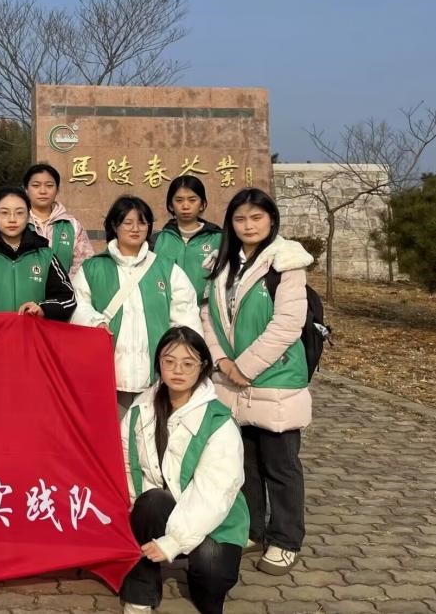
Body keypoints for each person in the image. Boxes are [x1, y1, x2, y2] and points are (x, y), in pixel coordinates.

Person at [201, 187, 313, 575]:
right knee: (243, 460)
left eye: (256, 218)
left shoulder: (286, 263)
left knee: (280, 464)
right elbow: (208, 317)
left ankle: (285, 538)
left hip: (275, 377)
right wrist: (221, 360)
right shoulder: (221, 264)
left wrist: (244, 367)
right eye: (240, 218)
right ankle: (251, 528)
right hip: (232, 380)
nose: (248, 225)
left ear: (271, 220)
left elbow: (287, 325)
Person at [120, 326, 248, 614]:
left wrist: (174, 541)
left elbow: (213, 493)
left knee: (212, 573)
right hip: (164, 505)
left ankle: (199, 575)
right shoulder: (139, 412)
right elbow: (127, 466)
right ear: (158, 365)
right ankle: (140, 594)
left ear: (202, 367)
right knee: (150, 503)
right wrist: (132, 516)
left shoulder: (218, 421)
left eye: (188, 363)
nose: (178, 370)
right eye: (169, 361)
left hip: (215, 517)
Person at [71, 196, 201, 416]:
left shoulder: (167, 269)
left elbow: (186, 319)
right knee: (113, 443)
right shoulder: (92, 268)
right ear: (115, 225)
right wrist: (96, 322)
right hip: (108, 379)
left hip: (157, 380)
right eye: (128, 222)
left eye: (142, 222)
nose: (135, 228)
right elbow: (76, 305)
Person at [0, 186, 76, 320]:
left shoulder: (45, 255)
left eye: (19, 213)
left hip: (33, 338)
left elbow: (67, 299)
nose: (12, 219)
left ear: (28, 216)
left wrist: (43, 309)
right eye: (4, 213)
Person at [151, 175, 223, 305]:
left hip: (207, 316)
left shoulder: (219, 239)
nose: (185, 206)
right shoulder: (156, 241)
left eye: (192, 200)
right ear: (170, 205)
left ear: (202, 204)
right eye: (179, 200)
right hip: (167, 315)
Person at [23, 162, 93, 275]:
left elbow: (84, 266)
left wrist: (66, 290)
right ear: (26, 189)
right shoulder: (18, 223)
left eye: (49, 185)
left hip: (65, 291)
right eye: (36, 185)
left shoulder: (72, 225)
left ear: (57, 190)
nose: (43, 191)